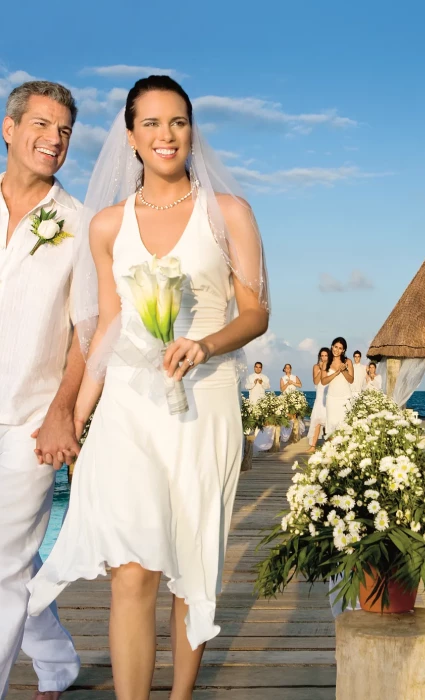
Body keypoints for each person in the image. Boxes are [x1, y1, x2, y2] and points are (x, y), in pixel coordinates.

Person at [26, 76, 269, 700]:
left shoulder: (230, 214)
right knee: (131, 573)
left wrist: (207, 344)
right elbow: (107, 328)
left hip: (205, 403)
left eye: (179, 123)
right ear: (131, 136)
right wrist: (75, 420)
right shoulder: (107, 226)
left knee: (191, 571)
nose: (167, 136)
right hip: (129, 408)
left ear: (192, 131)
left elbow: (256, 313)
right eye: (153, 124)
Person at [0, 81, 81, 700]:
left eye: (64, 131)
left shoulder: (77, 225)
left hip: (26, 420)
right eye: (42, 125)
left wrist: (62, 414)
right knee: (16, 569)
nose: (53, 139)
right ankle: (56, 659)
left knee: (3, 570)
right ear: (9, 128)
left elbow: (91, 331)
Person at [321, 337, 354, 434]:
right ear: (332, 347)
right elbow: (323, 381)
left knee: (346, 425)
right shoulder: (326, 363)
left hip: (345, 397)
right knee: (332, 425)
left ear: (343, 350)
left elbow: (351, 380)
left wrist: (343, 370)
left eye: (340, 348)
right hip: (332, 398)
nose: (337, 350)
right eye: (336, 347)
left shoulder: (347, 362)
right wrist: (336, 373)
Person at [307, 347, 330, 453]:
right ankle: (313, 446)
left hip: (329, 395)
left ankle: (329, 444)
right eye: (322, 355)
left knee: (328, 420)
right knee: (317, 421)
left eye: (326, 355)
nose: (324, 357)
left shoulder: (331, 367)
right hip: (320, 395)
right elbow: (316, 382)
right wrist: (321, 370)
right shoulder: (316, 367)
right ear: (320, 356)